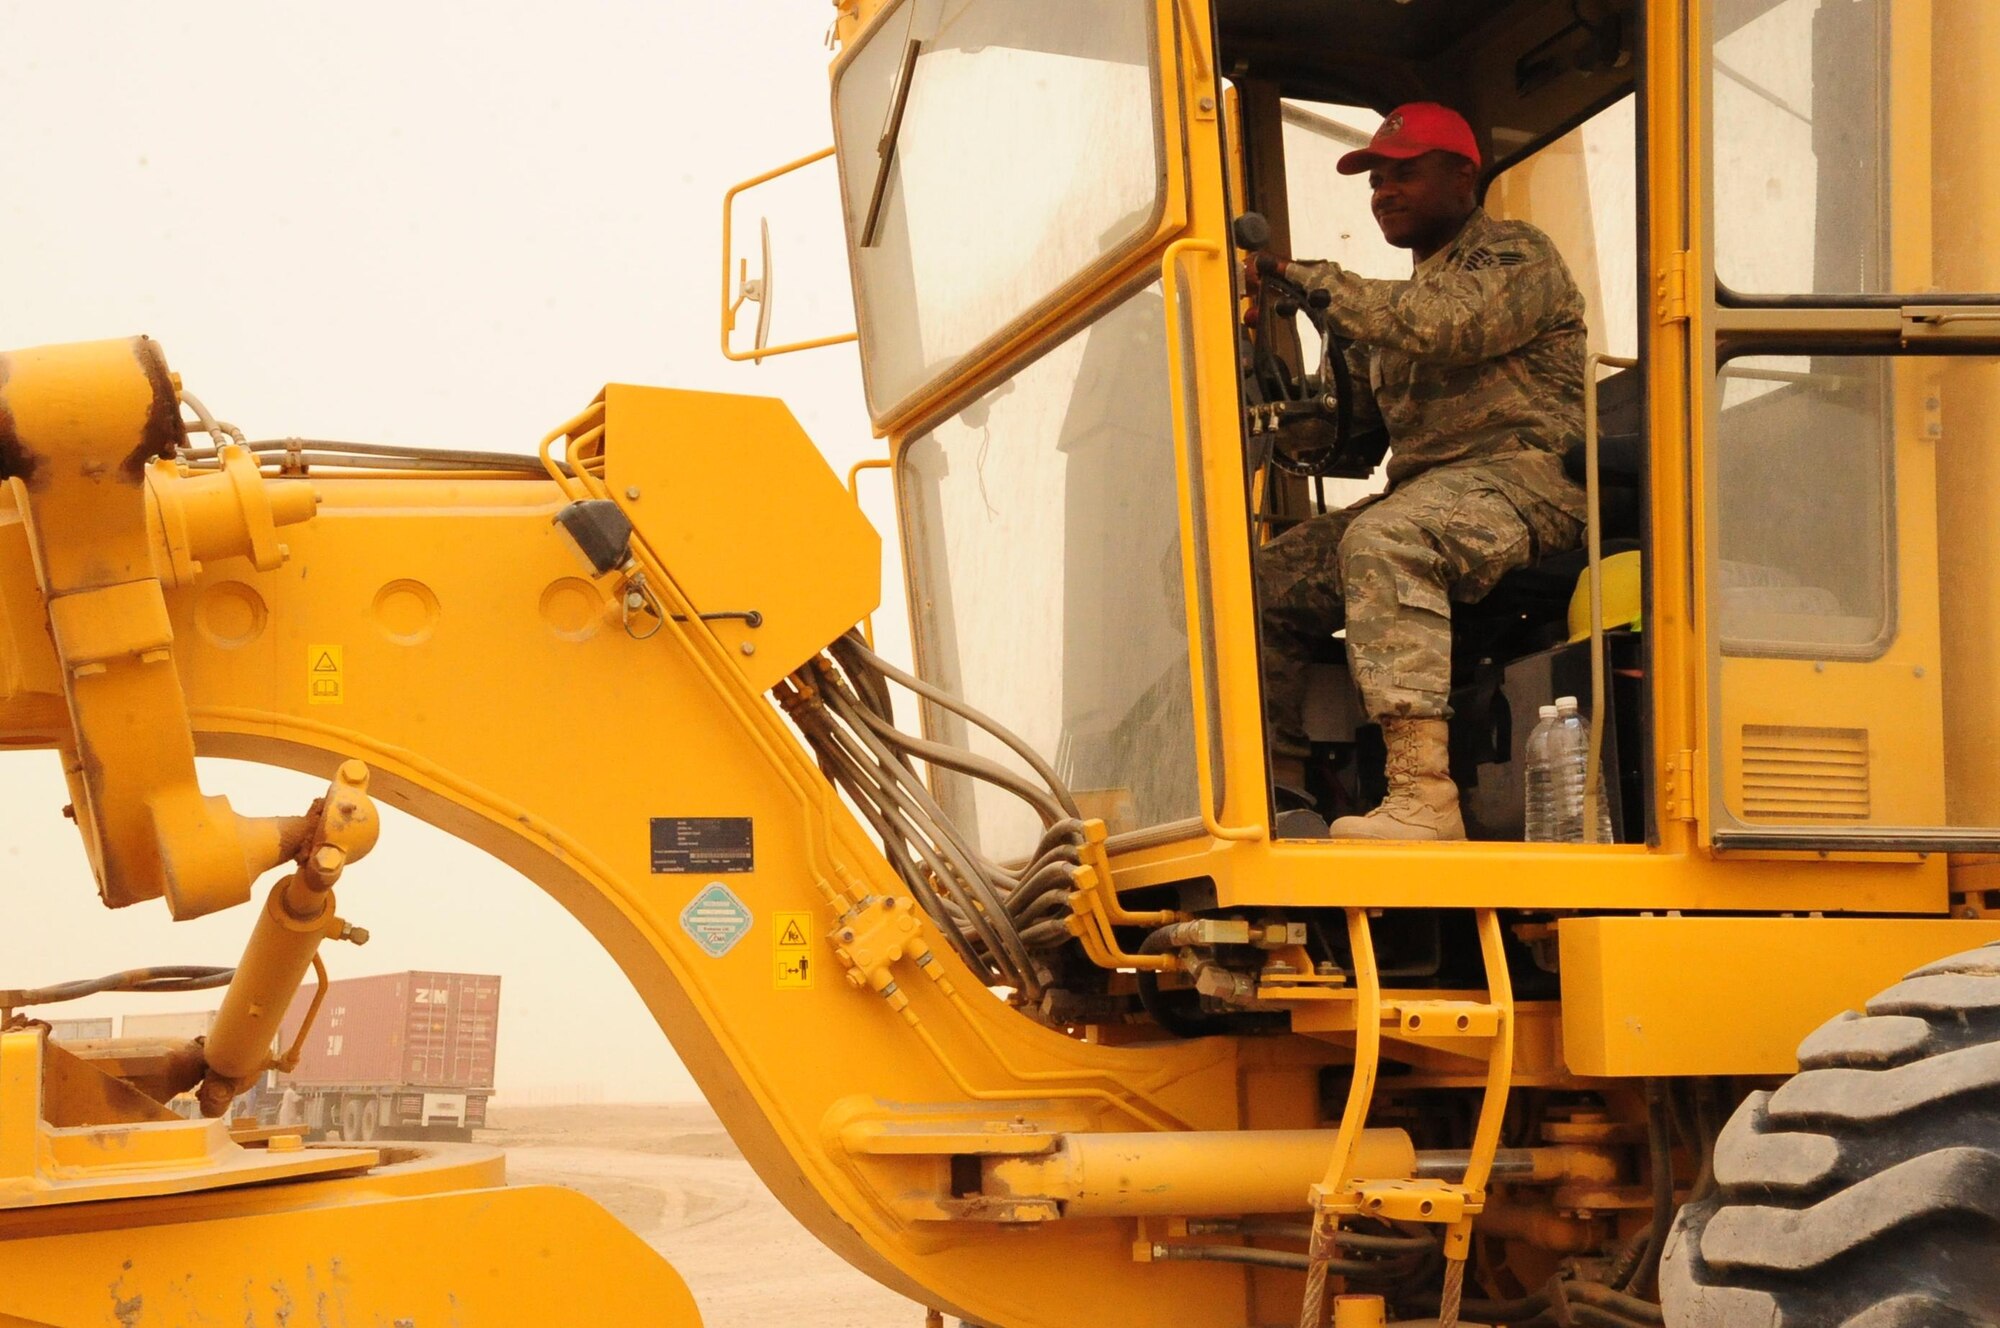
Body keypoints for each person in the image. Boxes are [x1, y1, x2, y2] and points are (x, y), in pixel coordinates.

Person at [1252, 102, 1588, 840]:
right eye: (1375, 180)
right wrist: (1265, 401)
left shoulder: (1515, 256)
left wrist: (1301, 279)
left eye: (1404, 173)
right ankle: (1277, 790)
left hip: (1532, 483)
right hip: (1431, 492)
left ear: (1464, 175)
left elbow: (1445, 326)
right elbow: (1349, 439)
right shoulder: (1393, 309)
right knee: (1262, 583)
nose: (1384, 192)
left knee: (1388, 541)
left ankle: (1424, 799)